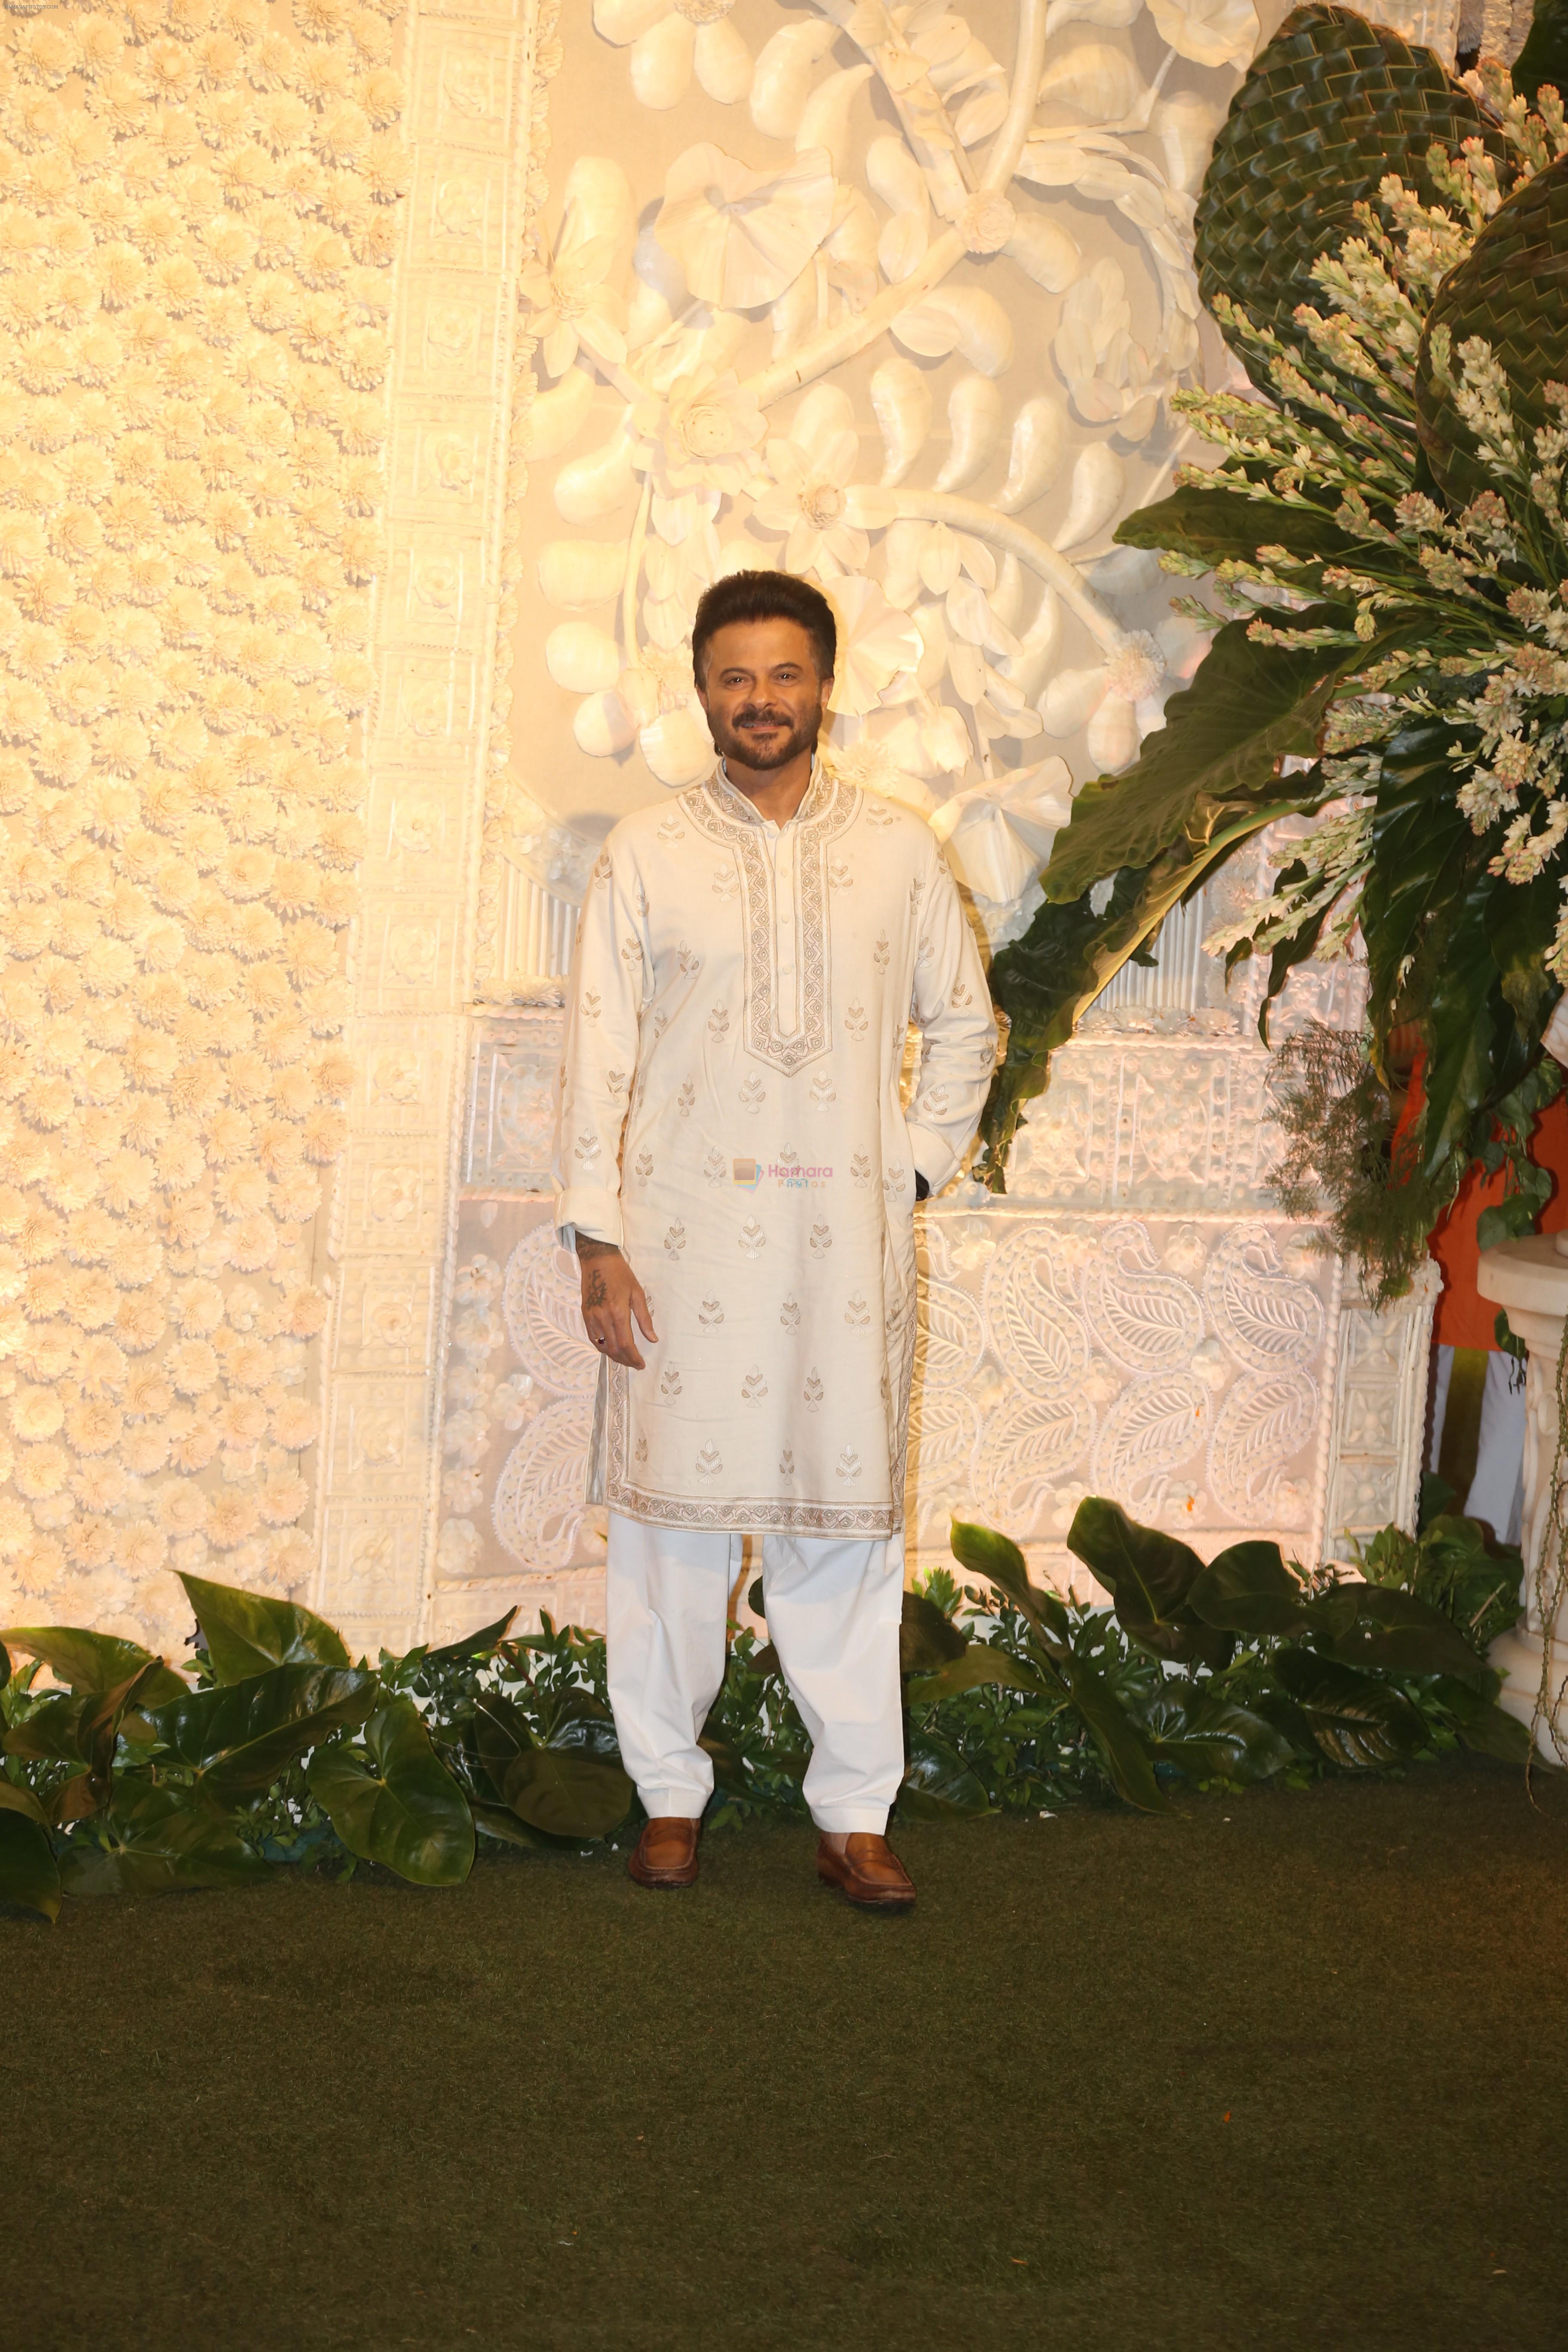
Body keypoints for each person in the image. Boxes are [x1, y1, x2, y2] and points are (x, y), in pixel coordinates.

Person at [552, 570, 996, 1909]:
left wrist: (905, 1172)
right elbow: (598, 1052)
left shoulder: (902, 851)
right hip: (679, 1244)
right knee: (671, 1536)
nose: (760, 701)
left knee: (843, 1536)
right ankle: (669, 1796)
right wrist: (596, 1239)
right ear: (701, 690)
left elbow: (968, 1025)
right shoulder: (646, 853)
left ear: (825, 686)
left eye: (784, 674)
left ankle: (855, 1815)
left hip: (840, 1258)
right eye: (735, 677)